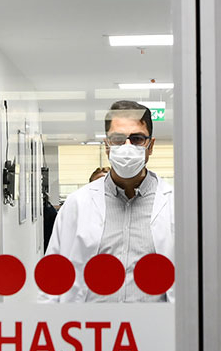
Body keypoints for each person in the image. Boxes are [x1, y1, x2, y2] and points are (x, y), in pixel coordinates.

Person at [40, 100, 174, 302]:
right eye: (118, 139)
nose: (127, 147)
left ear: (151, 145)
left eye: (137, 139)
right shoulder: (77, 204)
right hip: (92, 322)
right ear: (107, 145)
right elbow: (53, 278)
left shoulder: (176, 205)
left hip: (156, 321)